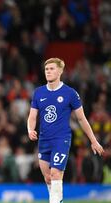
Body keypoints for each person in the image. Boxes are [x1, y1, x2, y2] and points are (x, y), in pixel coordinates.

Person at [27, 57, 104, 203]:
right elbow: (32, 116)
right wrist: (30, 129)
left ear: (60, 71)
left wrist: (93, 141)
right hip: (44, 140)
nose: (48, 72)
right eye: (46, 69)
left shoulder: (70, 93)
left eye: (52, 69)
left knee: (56, 173)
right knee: (48, 178)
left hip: (61, 139)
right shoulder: (38, 92)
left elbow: (82, 119)